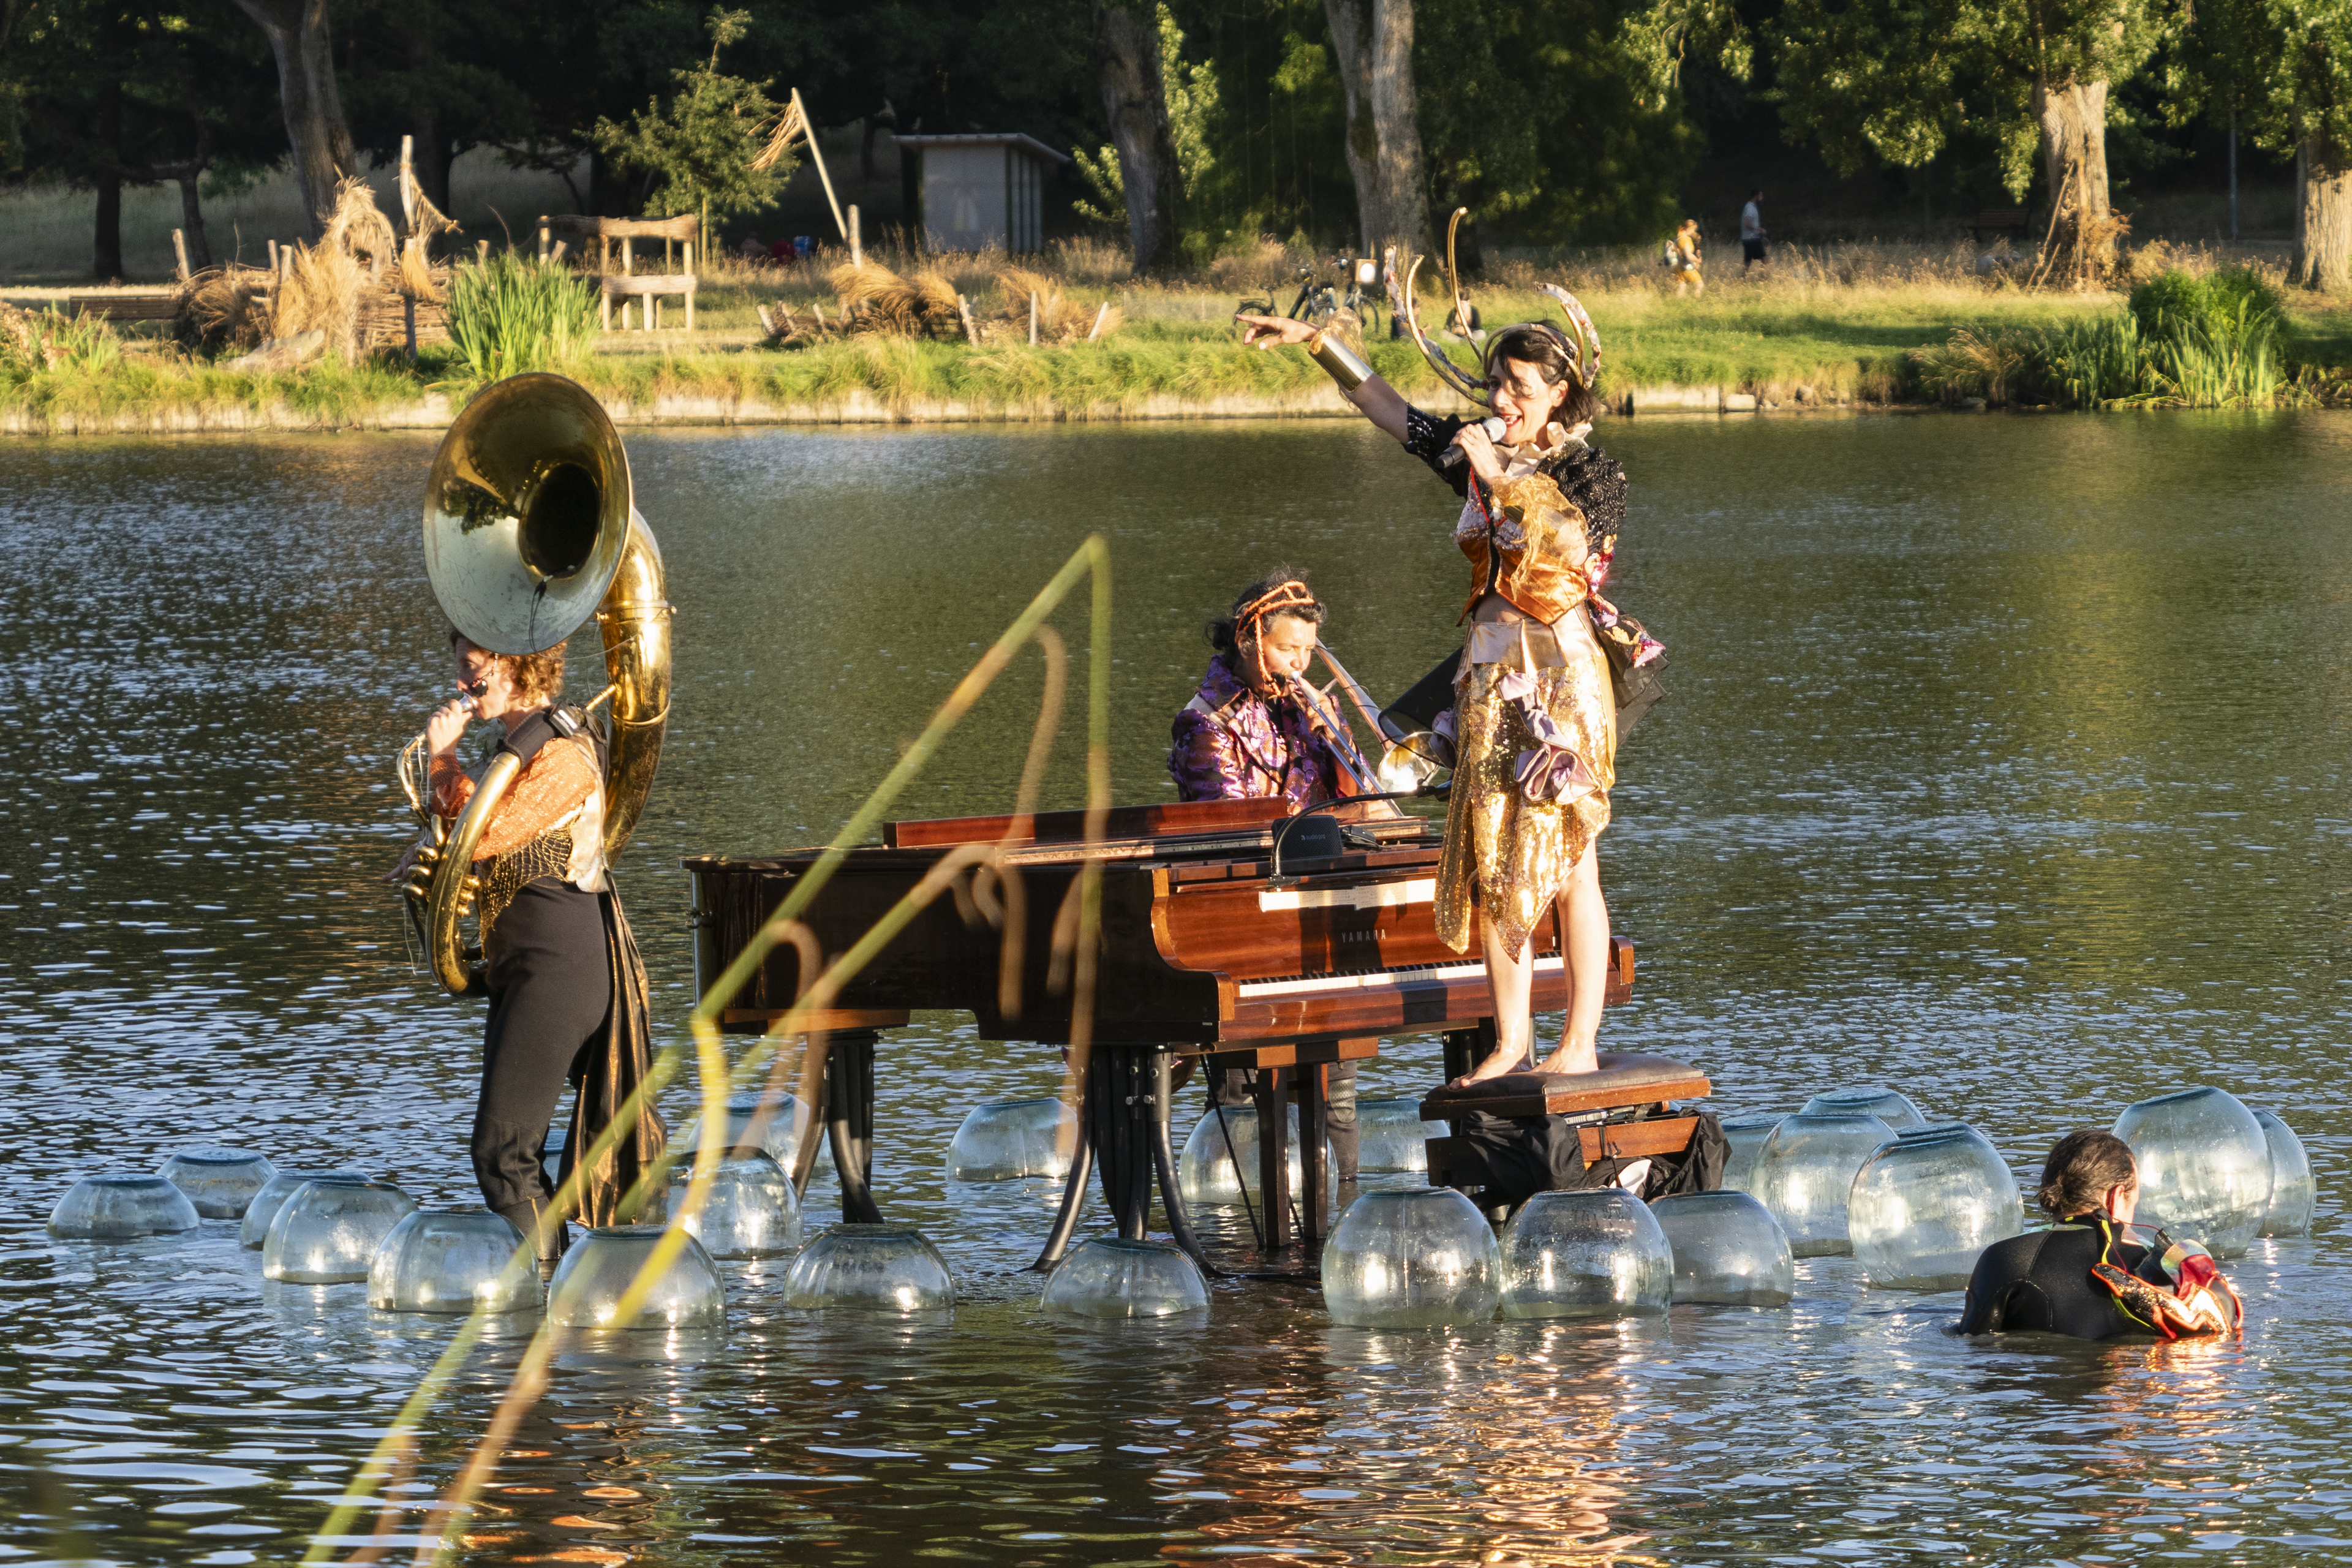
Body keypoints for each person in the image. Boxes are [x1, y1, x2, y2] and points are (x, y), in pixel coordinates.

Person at [1235, 294, 1660, 1086]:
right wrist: (1318, 342)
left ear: (1559, 394)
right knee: (1491, 854)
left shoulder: (1590, 472)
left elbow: (1570, 551)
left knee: (1573, 864)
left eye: (1520, 389)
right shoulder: (1478, 454)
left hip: (1562, 683)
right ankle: (1509, 1043)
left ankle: (1580, 1042)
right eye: (1497, 385)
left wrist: (1500, 474)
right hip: (1490, 678)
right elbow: (1396, 416)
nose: (1501, 402)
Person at [399, 633, 666, 1275]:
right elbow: (477, 842)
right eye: (459, 662)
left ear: (514, 664)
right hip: (528, 970)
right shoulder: (517, 753)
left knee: (502, 1153)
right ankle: (553, 1290)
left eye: (472, 666)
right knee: (508, 1152)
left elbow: (487, 833)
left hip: (561, 970)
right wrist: (427, 856)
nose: (461, 679)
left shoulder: (564, 755)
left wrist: (442, 760)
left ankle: (546, 1296)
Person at [1169, 571, 1365, 1180]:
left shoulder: (1313, 706)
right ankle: (1238, 1251)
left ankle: (1342, 1220)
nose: (1300, 665)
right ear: (1251, 638)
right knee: (1245, 1096)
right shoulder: (1206, 722)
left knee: (1337, 1093)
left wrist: (1337, 739)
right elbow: (1228, 832)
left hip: (1319, 912)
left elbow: (1360, 807)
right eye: (1288, 650)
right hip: (1243, 926)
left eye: (1310, 651)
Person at [1958, 1131, 2242, 1340]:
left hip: (2044, 1408)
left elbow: (1972, 1345)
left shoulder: (2005, 1257)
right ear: (2116, 1197)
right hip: (2146, 1390)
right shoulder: (2163, 1265)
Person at [1667, 220, 1703, 295]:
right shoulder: (1685, 240)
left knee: (1682, 287)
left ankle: (1677, 303)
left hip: (1679, 267)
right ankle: (1696, 301)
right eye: (1693, 230)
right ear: (1689, 228)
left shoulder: (1679, 237)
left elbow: (1681, 254)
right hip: (1687, 268)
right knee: (1700, 285)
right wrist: (1697, 260)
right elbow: (1688, 255)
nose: (1694, 232)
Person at [1740, 192, 1768, 273]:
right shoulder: (1750, 208)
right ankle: (1763, 280)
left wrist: (1762, 237)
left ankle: (1743, 279)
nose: (1762, 198)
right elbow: (1747, 224)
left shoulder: (1752, 207)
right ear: (1755, 196)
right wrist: (1760, 230)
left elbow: (1751, 225)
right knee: (1764, 260)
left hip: (1750, 239)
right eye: (1761, 196)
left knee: (1748, 262)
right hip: (1752, 239)